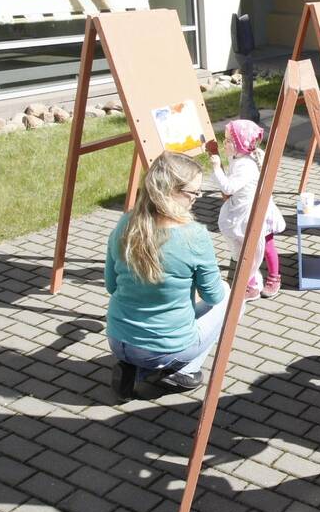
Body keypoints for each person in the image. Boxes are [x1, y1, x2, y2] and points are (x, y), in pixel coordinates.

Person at [105, 152, 229, 400]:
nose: (197, 198)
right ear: (171, 191)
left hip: (117, 339)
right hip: (161, 348)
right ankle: (183, 370)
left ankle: (134, 371)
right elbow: (213, 295)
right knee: (228, 294)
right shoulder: (194, 236)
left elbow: (110, 285)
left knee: (165, 319)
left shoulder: (125, 223)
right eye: (193, 193)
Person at [209, 120, 286, 298]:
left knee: (266, 245)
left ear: (240, 145)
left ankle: (274, 278)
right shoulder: (238, 156)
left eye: (228, 140)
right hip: (244, 210)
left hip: (256, 212)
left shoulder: (246, 165)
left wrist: (215, 168)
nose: (224, 143)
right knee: (246, 246)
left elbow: (228, 188)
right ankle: (251, 284)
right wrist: (213, 152)